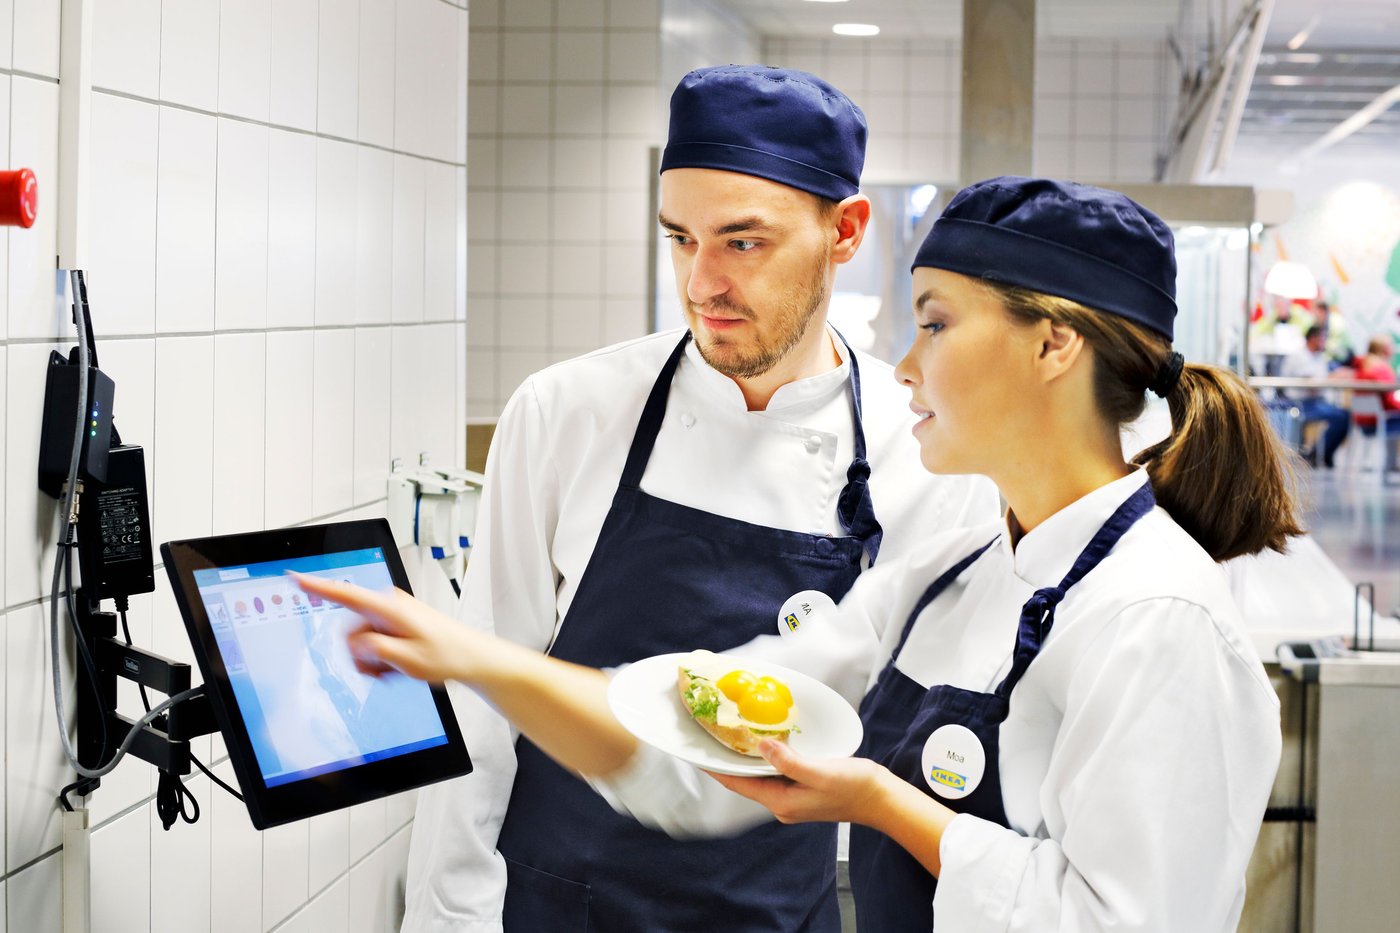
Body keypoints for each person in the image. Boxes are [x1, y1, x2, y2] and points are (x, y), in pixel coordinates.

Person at [300, 177, 1296, 931]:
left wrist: (881, 804)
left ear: (1053, 349)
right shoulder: (950, 572)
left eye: (937, 324)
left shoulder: (1155, 621)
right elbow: (695, 738)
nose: (902, 367)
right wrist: (475, 657)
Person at [399, 64, 998, 933]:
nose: (700, 283)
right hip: (556, 907)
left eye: (743, 242)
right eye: (681, 237)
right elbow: (484, 701)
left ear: (847, 230)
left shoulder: (925, 454)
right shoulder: (570, 410)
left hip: (777, 912)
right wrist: (446, 918)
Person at [1281, 323, 1350, 466]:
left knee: (1344, 415)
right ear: (1313, 338)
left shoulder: (1320, 357)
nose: (1324, 342)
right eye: (1322, 339)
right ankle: (1319, 453)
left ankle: (1323, 454)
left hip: (1317, 400)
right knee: (1339, 416)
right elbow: (1310, 382)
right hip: (1300, 402)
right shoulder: (1298, 356)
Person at [1352, 334, 1400, 437]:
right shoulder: (1381, 369)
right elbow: (1389, 402)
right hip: (1378, 423)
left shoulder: (1362, 367)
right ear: (1384, 350)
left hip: (1362, 422)